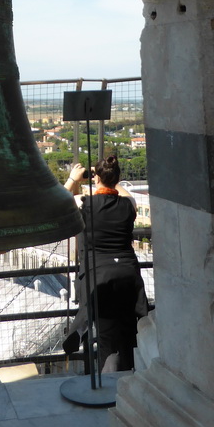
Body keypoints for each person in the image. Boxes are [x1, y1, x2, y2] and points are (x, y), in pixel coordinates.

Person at [63, 156, 148, 372]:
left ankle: (108, 380)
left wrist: (74, 179)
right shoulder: (128, 205)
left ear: (96, 178)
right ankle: (131, 375)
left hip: (99, 275)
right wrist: (109, 178)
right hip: (129, 275)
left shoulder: (84, 203)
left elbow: (60, 201)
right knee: (130, 333)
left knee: (106, 337)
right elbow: (126, 195)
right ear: (117, 178)